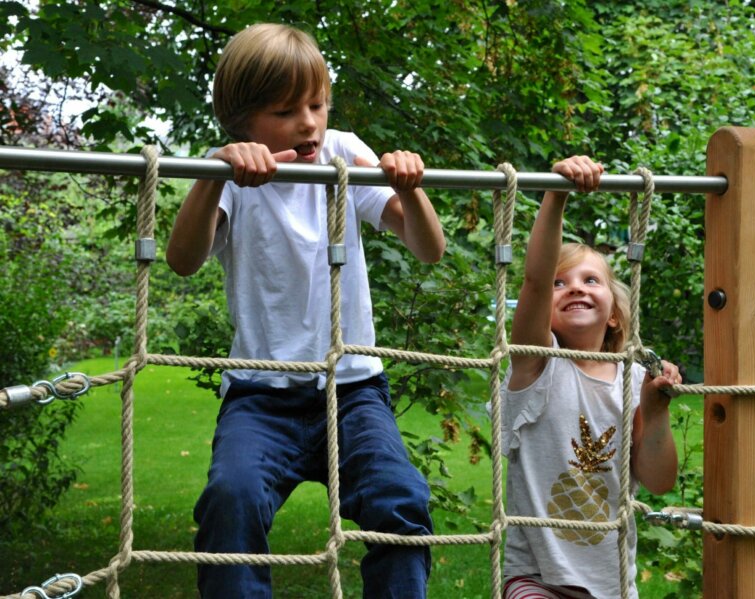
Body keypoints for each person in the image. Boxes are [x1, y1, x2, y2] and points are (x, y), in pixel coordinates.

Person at [165, 23, 445, 599]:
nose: (308, 122)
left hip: (354, 388)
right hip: (261, 394)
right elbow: (182, 260)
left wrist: (411, 188)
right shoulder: (232, 176)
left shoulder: (342, 153)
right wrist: (213, 175)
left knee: (401, 498)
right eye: (285, 110)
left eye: (316, 103)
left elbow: (428, 248)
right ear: (242, 118)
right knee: (231, 499)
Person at [500, 156, 679, 598]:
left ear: (616, 314)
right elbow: (534, 282)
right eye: (562, 283)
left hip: (611, 583)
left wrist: (655, 413)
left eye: (590, 279)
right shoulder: (537, 364)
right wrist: (555, 194)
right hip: (535, 578)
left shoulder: (634, 378)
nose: (575, 287)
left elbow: (657, 481)